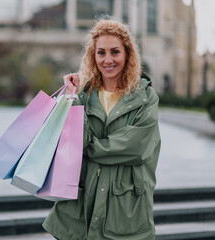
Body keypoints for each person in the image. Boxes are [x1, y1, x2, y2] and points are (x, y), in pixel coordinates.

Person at [42, 18, 161, 240]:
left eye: (115, 52)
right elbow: (74, 141)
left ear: (127, 54)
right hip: (81, 204)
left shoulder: (145, 98)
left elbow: (136, 148)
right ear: (93, 56)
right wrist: (73, 96)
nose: (108, 60)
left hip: (124, 206)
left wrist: (90, 148)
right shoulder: (84, 95)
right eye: (101, 52)